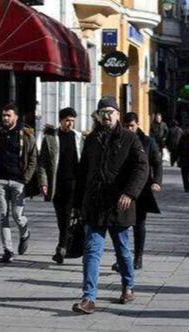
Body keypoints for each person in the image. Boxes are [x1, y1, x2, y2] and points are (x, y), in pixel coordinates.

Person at [72, 96, 149, 314]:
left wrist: (130, 193)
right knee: (92, 251)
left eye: (110, 112)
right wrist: (77, 204)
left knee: (122, 250)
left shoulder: (129, 138)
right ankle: (88, 298)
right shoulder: (92, 139)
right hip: (94, 205)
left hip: (119, 205)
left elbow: (142, 168)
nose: (106, 116)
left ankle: (128, 286)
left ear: (118, 115)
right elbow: (82, 172)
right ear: (97, 116)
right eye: (102, 112)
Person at [0, 103, 38, 264]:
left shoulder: (26, 134)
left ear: (15, 116)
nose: (5, 118)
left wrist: (26, 178)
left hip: (18, 181)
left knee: (17, 215)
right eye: (3, 115)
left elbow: (33, 157)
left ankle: (25, 233)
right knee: (2, 216)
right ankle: (8, 250)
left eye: (8, 115)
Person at [110, 112, 163, 271]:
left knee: (139, 223)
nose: (129, 129)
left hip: (141, 188)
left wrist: (156, 182)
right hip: (120, 187)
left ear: (138, 124)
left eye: (131, 126)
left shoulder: (147, 142)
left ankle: (138, 256)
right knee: (120, 224)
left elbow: (157, 163)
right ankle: (121, 258)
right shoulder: (117, 139)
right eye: (126, 126)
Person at [38, 107, 85, 264]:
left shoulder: (79, 138)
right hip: (57, 185)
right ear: (61, 120)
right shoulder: (51, 138)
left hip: (75, 184)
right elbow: (43, 164)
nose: (70, 123)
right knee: (61, 217)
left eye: (72, 121)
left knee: (70, 216)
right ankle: (65, 244)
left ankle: (62, 247)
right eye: (67, 120)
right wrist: (44, 183)